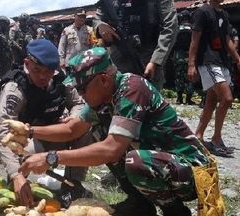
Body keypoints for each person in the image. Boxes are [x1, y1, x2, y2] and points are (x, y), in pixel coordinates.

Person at [20, 47, 210, 216]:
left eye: (82, 88)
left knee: (132, 159)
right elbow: (72, 129)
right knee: (101, 132)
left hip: (191, 170)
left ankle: (175, 211)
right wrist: (29, 131)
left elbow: (111, 150)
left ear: (103, 79)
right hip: (163, 163)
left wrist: (50, 158)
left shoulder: (132, 89)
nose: (81, 95)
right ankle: (140, 204)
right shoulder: (104, 99)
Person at [0, 39, 90, 206]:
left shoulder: (60, 79)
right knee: (27, 153)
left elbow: (79, 103)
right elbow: (3, 133)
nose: (43, 76)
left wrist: (74, 118)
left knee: (84, 128)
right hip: (27, 140)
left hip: (54, 134)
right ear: (27, 63)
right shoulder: (15, 88)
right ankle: (17, 182)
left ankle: (73, 184)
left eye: (48, 71)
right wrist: (15, 175)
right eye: (37, 70)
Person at [187, 0, 240, 157]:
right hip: (208, 60)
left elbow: (227, 41)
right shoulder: (203, 12)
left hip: (222, 60)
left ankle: (198, 136)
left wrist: (237, 58)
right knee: (227, 98)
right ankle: (217, 138)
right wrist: (191, 64)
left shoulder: (223, 15)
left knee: (211, 102)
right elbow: (195, 41)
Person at [173, 10, 195, 104]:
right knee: (190, 77)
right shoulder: (193, 29)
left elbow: (172, 43)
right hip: (189, 55)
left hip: (178, 55)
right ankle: (188, 99)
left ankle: (179, 98)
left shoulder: (177, 29)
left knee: (178, 76)